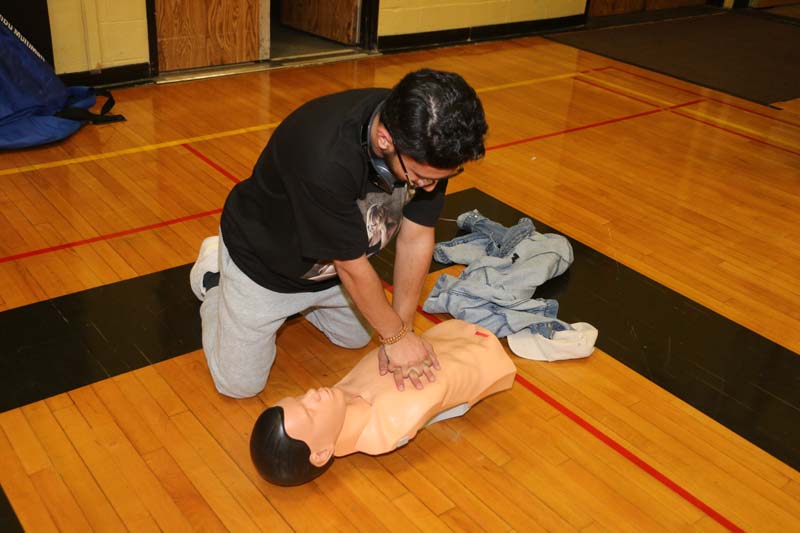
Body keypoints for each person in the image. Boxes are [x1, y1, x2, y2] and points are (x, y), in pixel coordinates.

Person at [190, 69, 488, 398]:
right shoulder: (324, 156)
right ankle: (216, 278)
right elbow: (350, 265)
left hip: (332, 271)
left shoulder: (428, 140)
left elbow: (416, 237)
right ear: (386, 139)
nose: (429, 187)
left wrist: (401, 329)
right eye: (419, 177)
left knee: (357, 339)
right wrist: (394, 338)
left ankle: (305, 307)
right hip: (265, 268)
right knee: (239, 387)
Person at [249, 319, 516, 486]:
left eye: (299, 398)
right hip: (488, 355)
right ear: (321, 454)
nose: (311, 394)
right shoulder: (390, 423)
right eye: (309, 411)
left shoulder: (340, 396)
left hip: (457, 334)